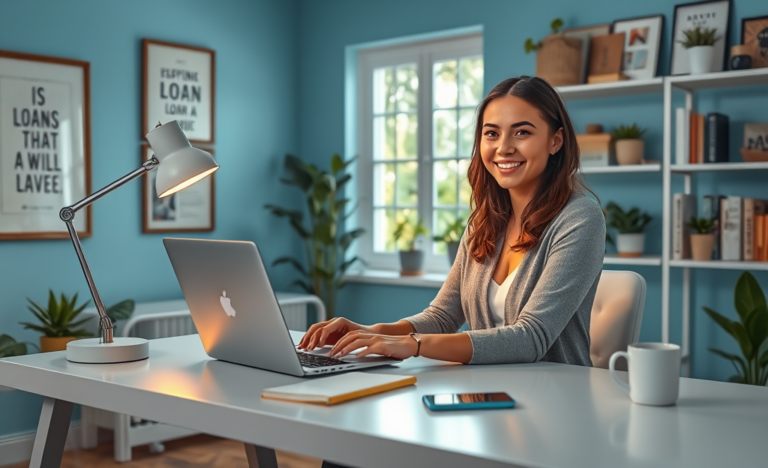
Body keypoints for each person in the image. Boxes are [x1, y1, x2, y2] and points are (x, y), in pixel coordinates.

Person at [298, 76, 605, 366]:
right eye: (491, 133)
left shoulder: (579, 219)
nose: (504, 147)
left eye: (522, 132)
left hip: (557, 398)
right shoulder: (483, 224)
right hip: (486, 395)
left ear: (556, 141)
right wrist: (370, 330)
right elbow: (443, 317)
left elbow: (532, 338)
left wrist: (415, 345)